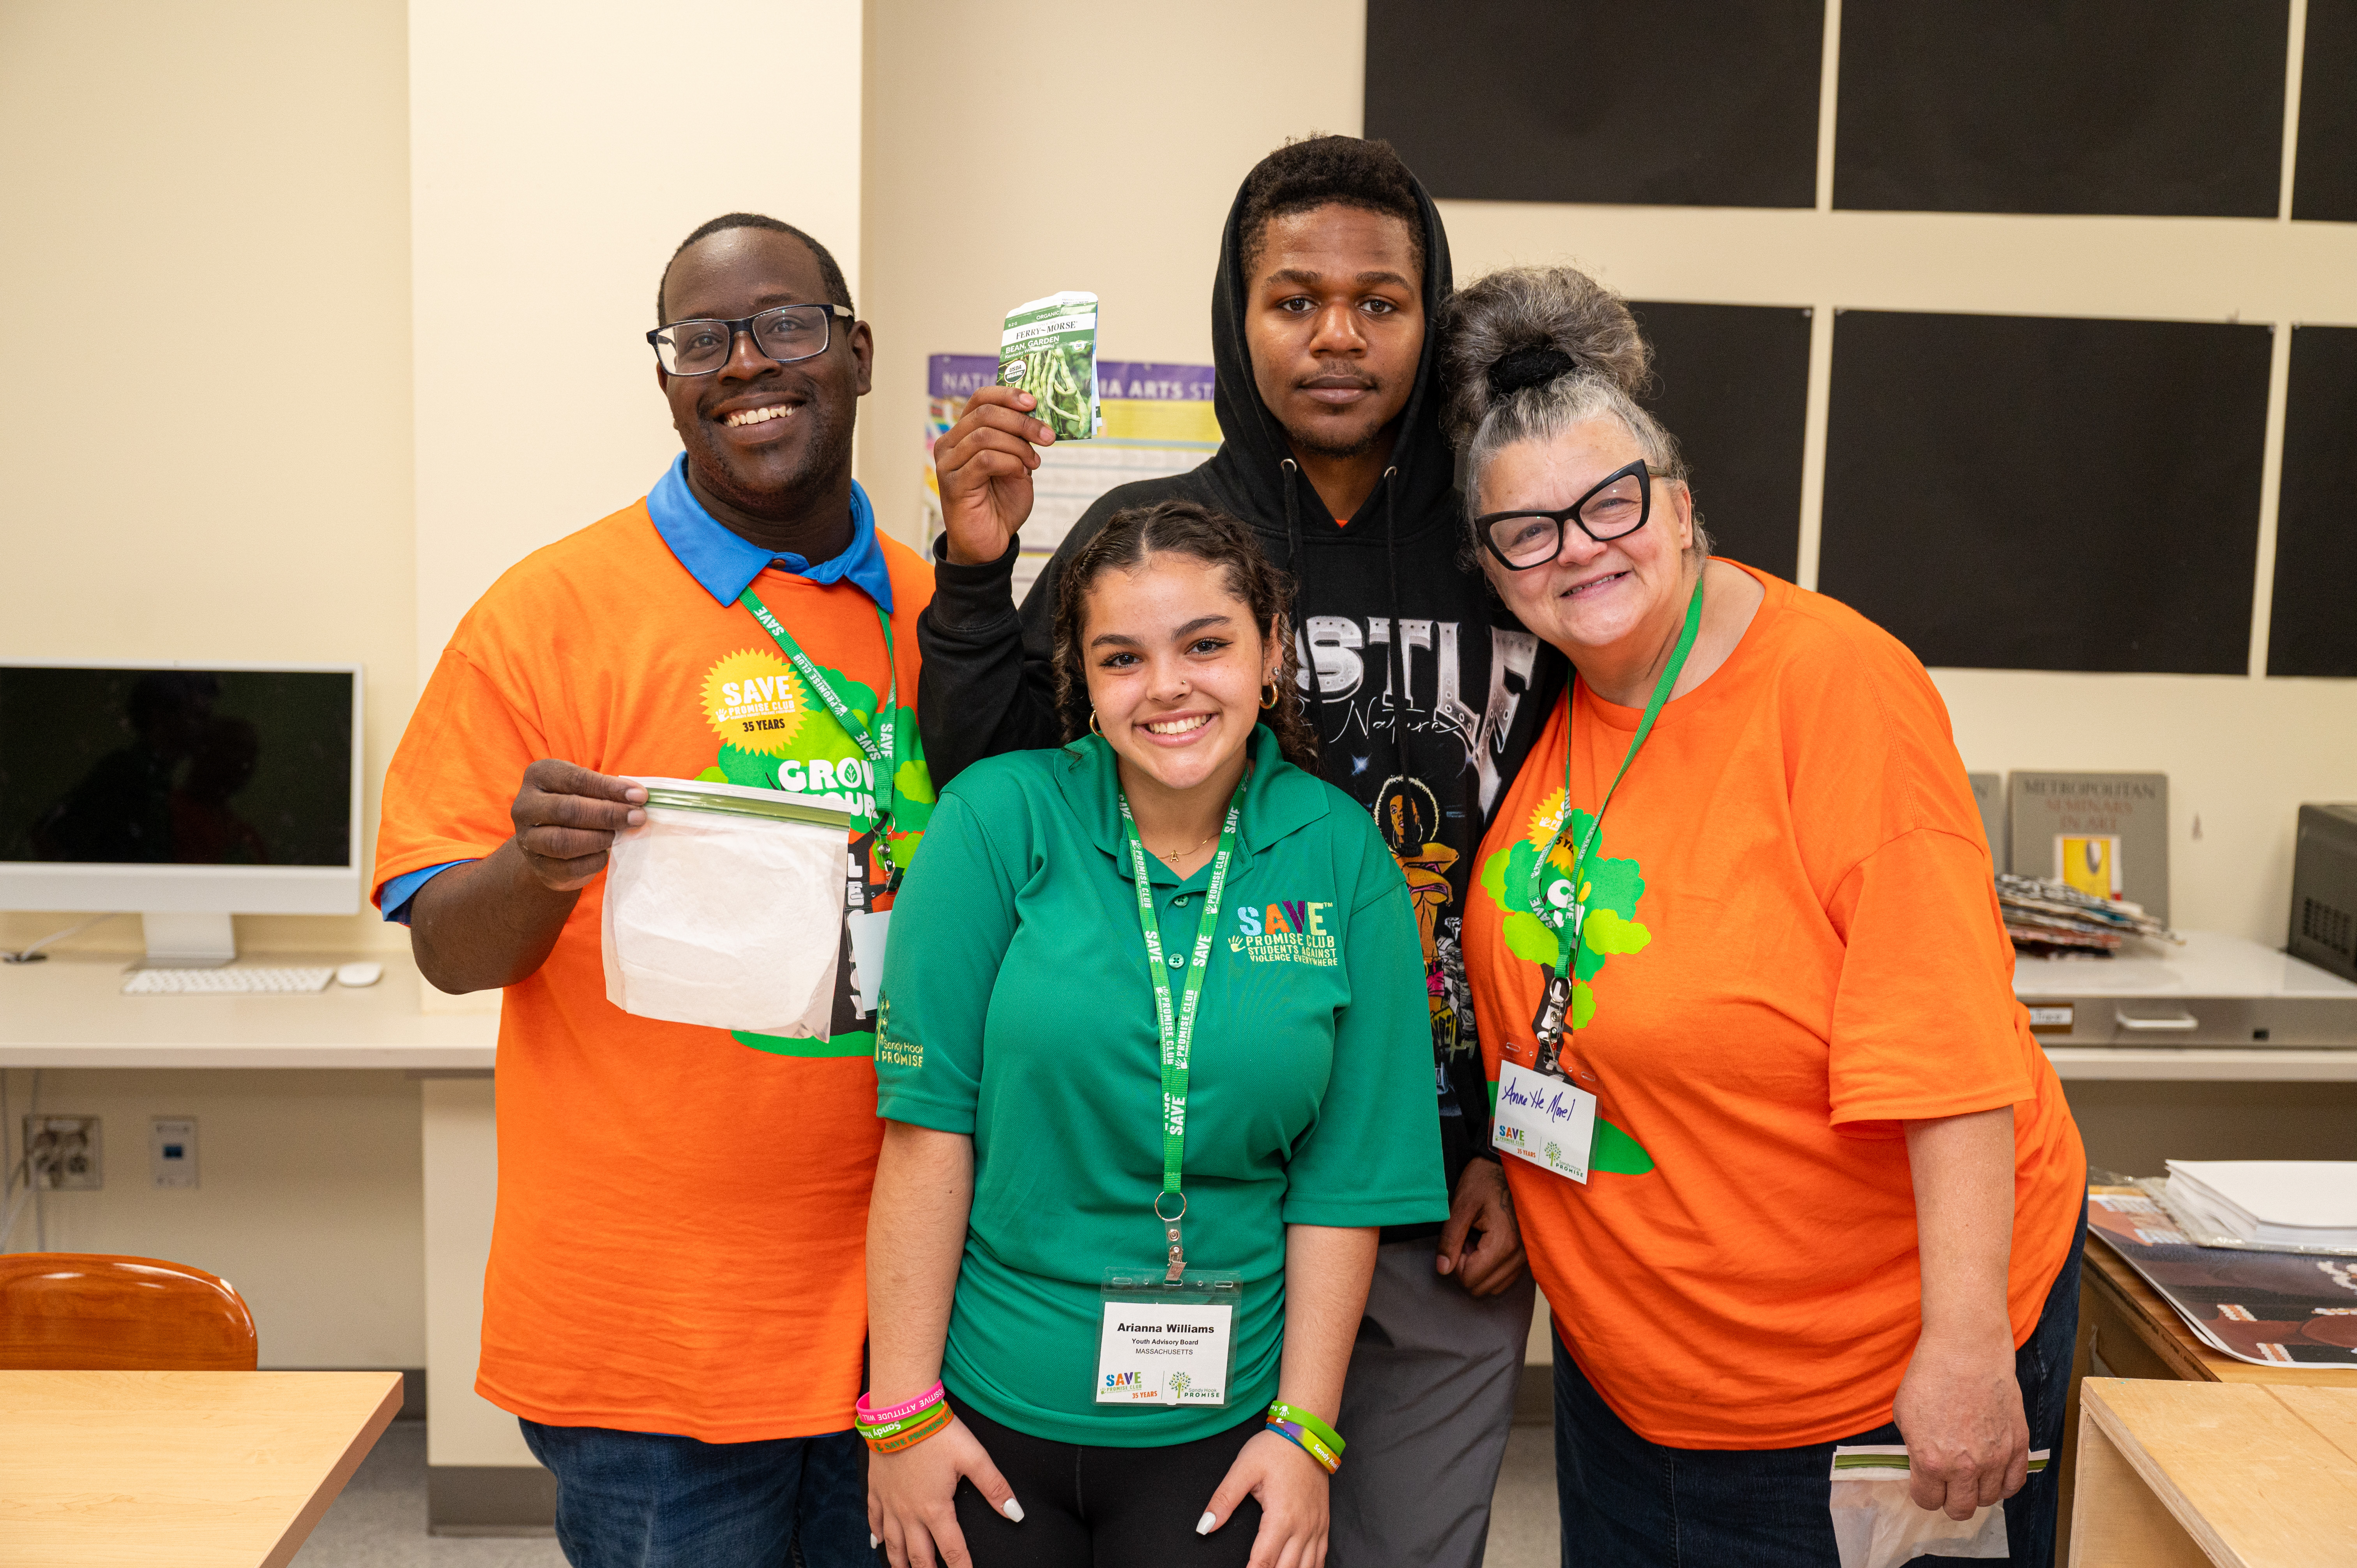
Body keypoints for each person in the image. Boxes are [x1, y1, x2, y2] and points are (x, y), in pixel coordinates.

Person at [919, 135, 1561, 1565]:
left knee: (1405, 1550)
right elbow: (997, 793)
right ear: (1238, 314)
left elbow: (1582, 860)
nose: (1337, 336)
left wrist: (1519, 1139)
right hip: (1206, 1170)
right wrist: (976, 575)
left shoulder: (1509, 545)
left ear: (1430, 318)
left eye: (1380, 302)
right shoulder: (1163, 544)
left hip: (1455, 1177)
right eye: (1294, 300)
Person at [1445, 267, 2088, 1566]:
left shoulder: (1838, 690)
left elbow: (1948, 1046)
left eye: (1611, 504)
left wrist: (1966, 1351)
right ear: (1493, 570)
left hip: (1856, 1393)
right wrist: (1520, 1166)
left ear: (1680, 508)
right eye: (1530, 532)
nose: (1579, 548)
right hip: (1631, 1387)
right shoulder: (1555, 704)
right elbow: (1574, 986)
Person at [373, 212, 931, 1568]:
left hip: (901, 1311)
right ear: (669, 377)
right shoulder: (545, 614)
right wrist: (537, 868)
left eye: (788, 326)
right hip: (650, 1333)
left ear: (855, 352)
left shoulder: (936, 614)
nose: (748, 364)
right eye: (704, 340)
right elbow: (447, 944)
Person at [866, 500, 1447, 1568]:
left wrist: (1305, 1436)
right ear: (1080, 682)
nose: (1168, 686)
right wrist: (901, 1414)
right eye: (1122, 657)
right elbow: (925, 1128)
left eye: (1207, 644)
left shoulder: (1343, 857)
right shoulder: (997, 821)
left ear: (1271, 650)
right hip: (988, 1414)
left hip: (1227, 1437)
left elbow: (1344, 1183)